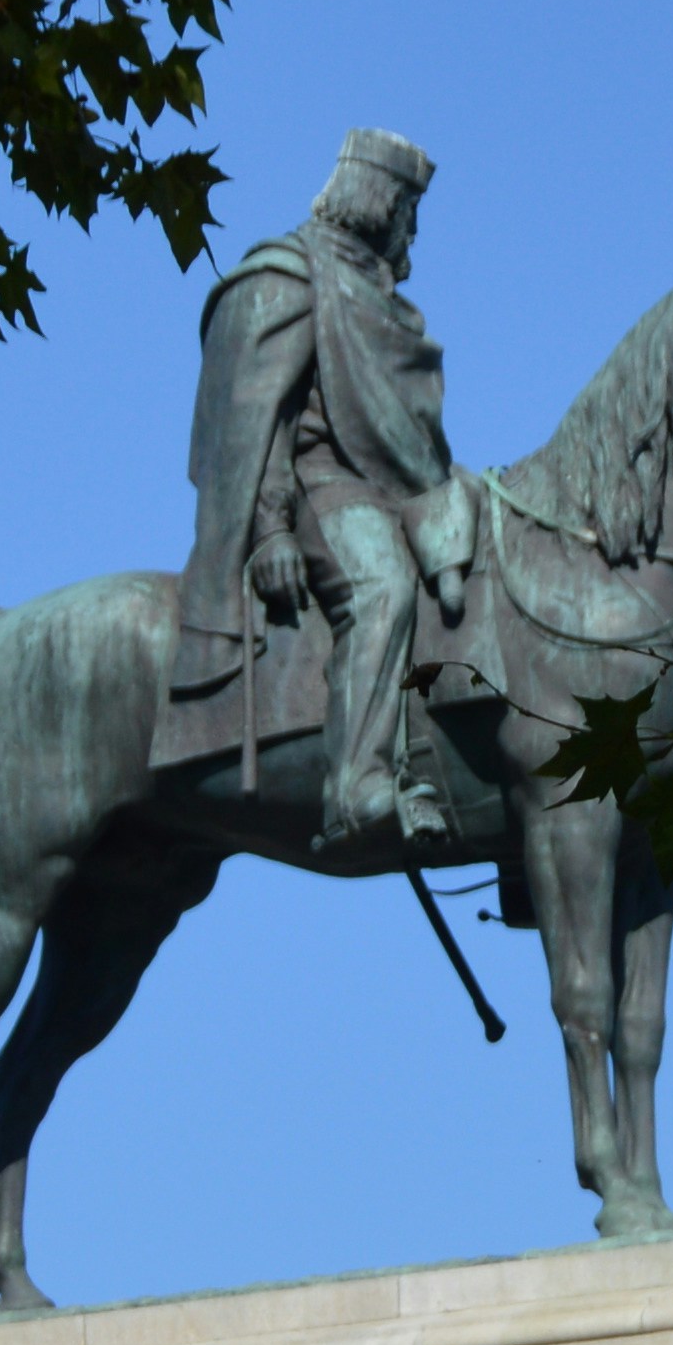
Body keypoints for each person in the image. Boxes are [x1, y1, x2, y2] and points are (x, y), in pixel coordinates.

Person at [175, 129, 475, 859]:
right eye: (407, 206)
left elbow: (410, 435)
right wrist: (271, 529)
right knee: (383, 590)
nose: (413, 227)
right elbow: (256, 421)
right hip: (319, 484)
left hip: (397, 490)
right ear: (377, 201)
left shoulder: (377, 294)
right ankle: (357, 784)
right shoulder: (290, 275)